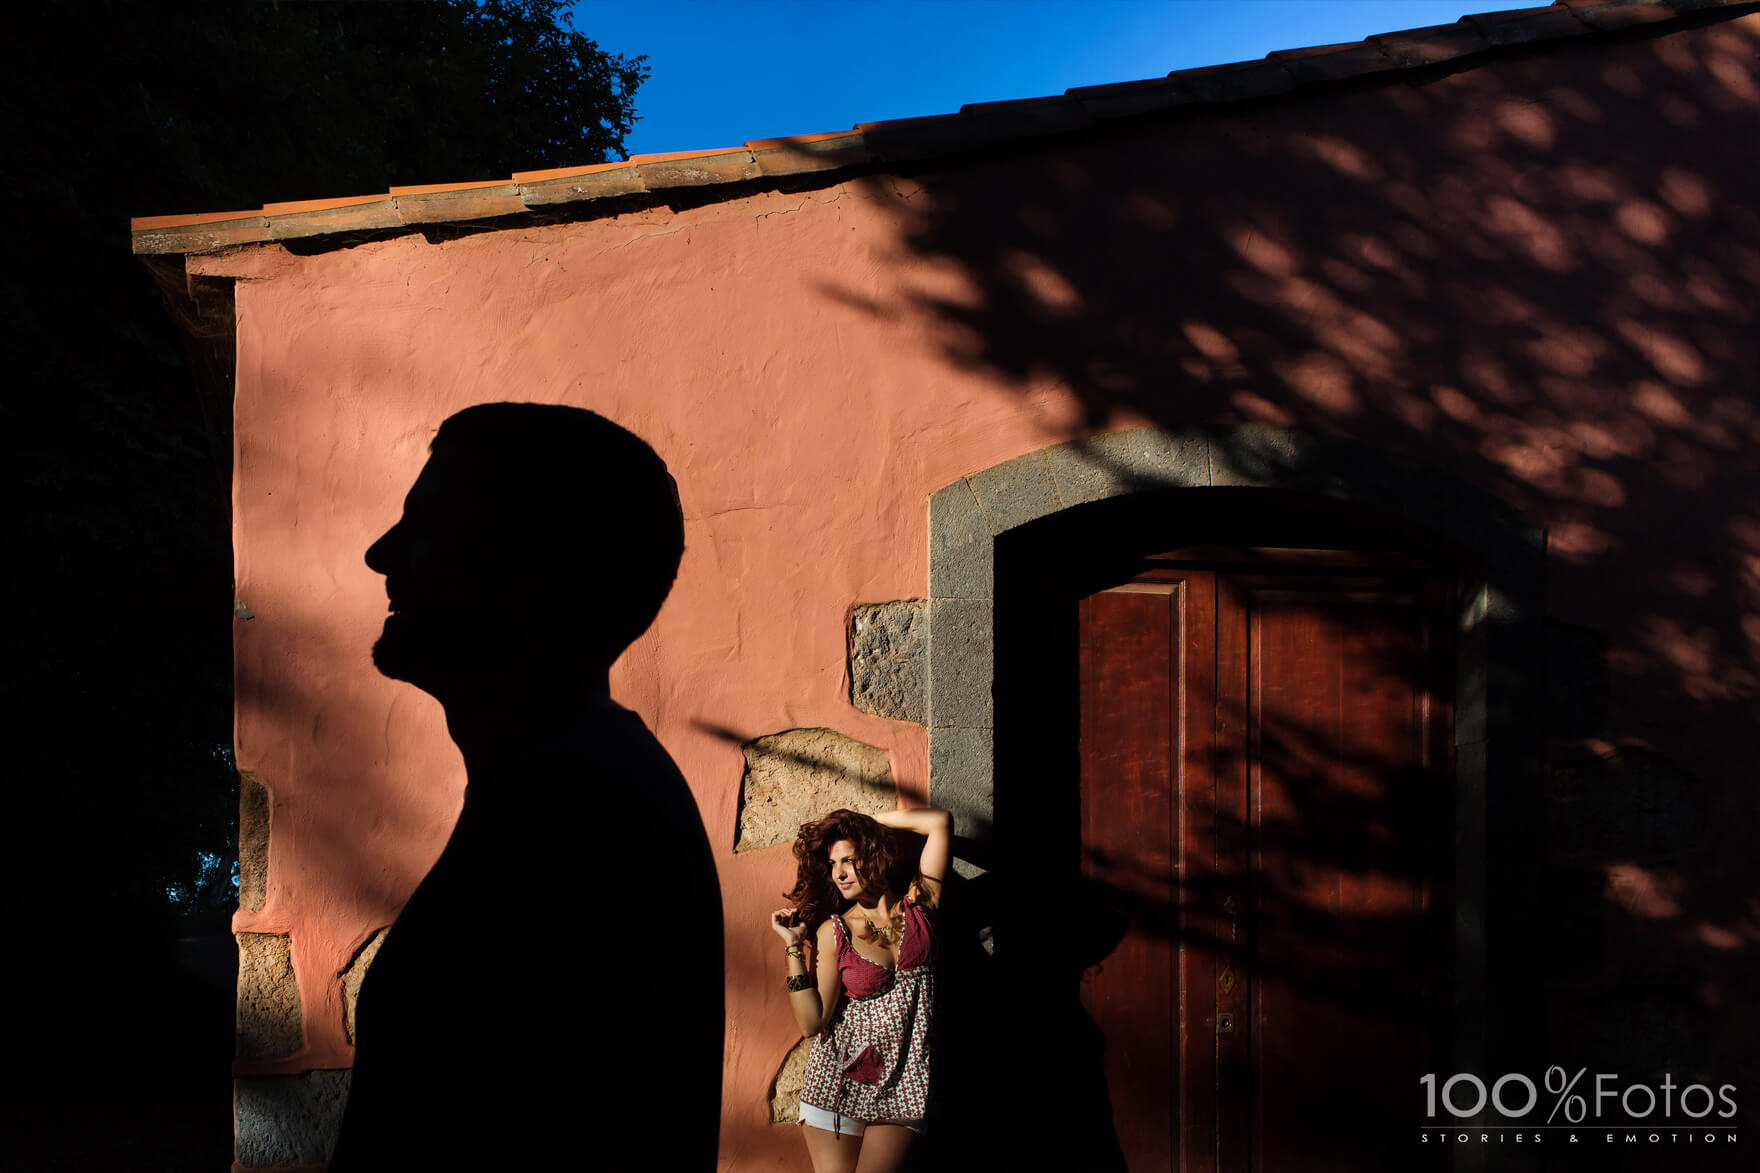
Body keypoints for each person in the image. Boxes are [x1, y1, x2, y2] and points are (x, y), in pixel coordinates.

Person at [330, 402, 722, 1171]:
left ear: (536, 566)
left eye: (430, 523)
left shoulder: (569, 815)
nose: (382, 554)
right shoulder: (584, 780)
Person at [770, 806, 953, 1173]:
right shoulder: (836, 931)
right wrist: (793, 949)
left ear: (874, 854)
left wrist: (860, 823)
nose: (839, 872)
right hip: (838, 1085)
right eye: (833, 863)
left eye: (850, 860)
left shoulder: (921, 904)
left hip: (906, 1084)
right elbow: (811, 1023)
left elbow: (939, 822)